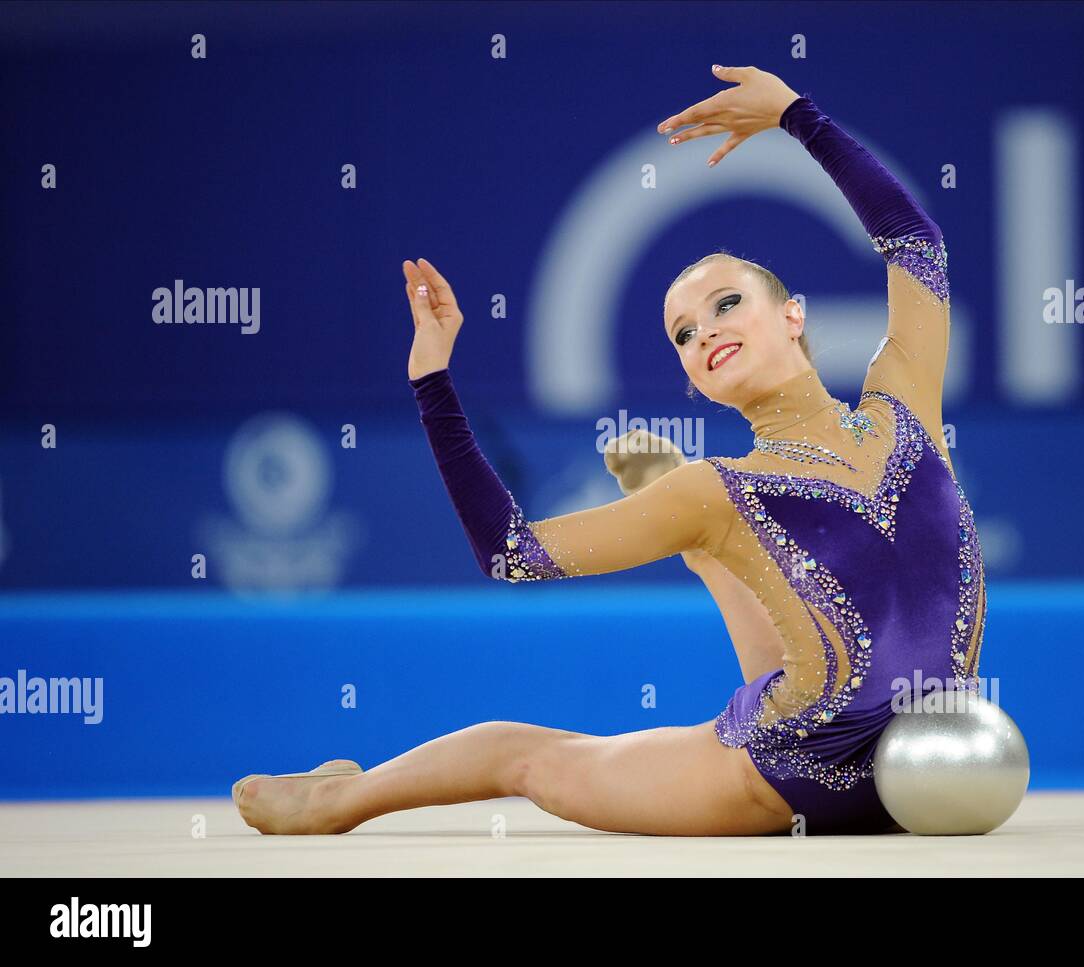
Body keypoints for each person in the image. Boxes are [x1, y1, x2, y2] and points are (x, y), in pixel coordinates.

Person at [233, 64, 985, 836]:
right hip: (790, 773)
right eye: (684, 334)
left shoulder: (905, 406)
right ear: (693, 376)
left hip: (929, 764)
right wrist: (432, 379)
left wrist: (798, 116)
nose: (707, 331)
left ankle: (707, 555)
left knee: (764, 598)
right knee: (523, 757)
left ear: (793, 314)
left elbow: (915, 241)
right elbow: (511, 551)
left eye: (727, 303)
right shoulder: (712, 489)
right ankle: (335, 799)